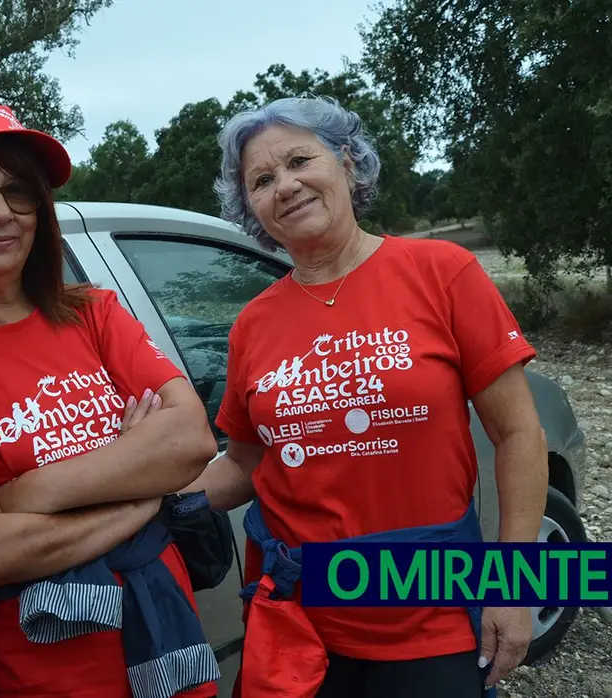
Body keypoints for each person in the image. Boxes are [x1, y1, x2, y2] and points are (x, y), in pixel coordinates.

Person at [183, 95, 548, 698]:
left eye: (301, 160)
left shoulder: (442, 271)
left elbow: (519, 434)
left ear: (349, 163)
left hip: (433, 616)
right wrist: (155, 504)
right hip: (297, 622)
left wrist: (517, 584)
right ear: (250, 206)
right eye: (263, 180)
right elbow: (247, 462)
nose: (287, 186)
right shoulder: (253, 324)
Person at [0, 101, 222, 698]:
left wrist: (28, 492)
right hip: (38, 676)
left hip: (169, 651)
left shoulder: (93, 312)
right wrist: (140, 487)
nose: (2, 213)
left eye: (19, 191)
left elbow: (190, 440)